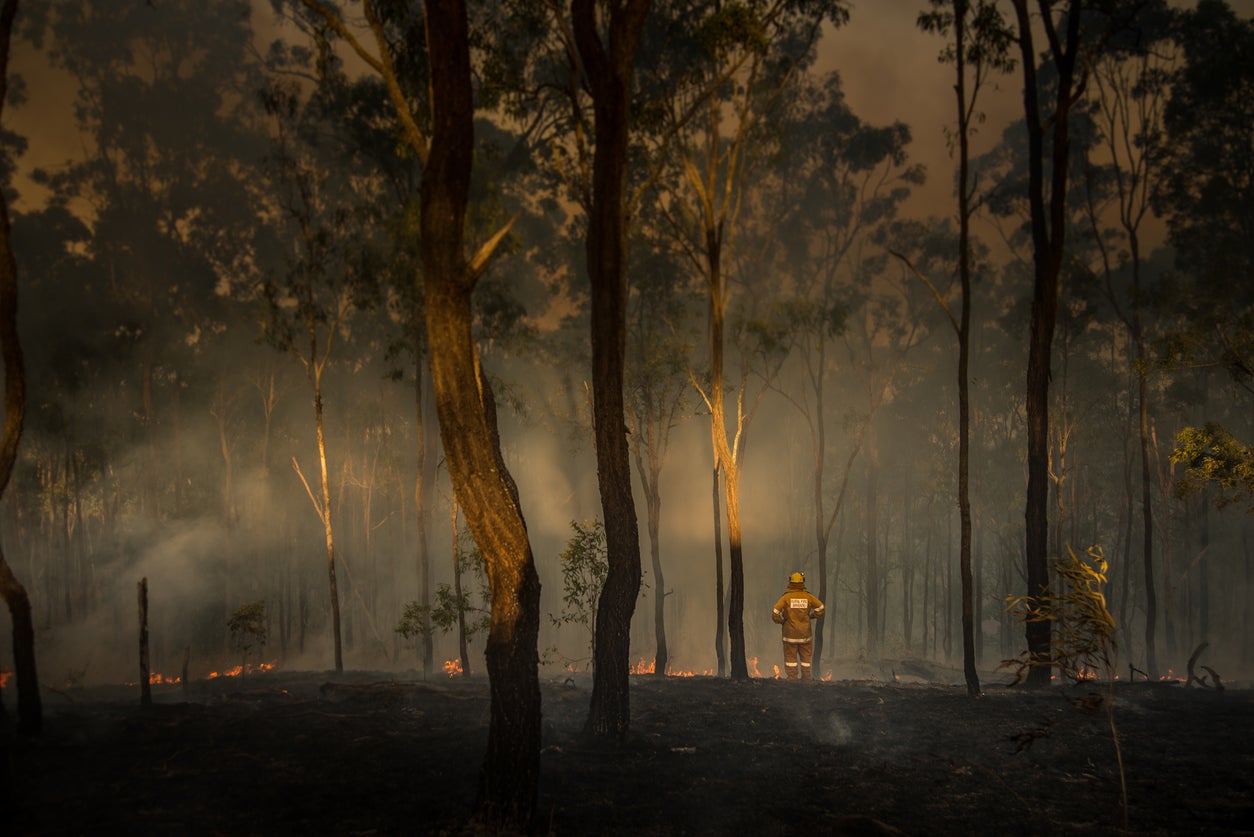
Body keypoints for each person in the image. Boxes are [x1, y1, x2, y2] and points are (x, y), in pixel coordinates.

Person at [771, 571, 825, 682]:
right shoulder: (808, 597)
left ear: (790, 582)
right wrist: (811, 616)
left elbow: (775, 612)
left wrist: (781, 621)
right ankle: (806, 680)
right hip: (805, 635)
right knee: (806, 660)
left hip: (789, 634)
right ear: (802, 583)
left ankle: (792, 679)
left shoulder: (786, 598)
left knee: (791, 660)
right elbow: (821, 608)